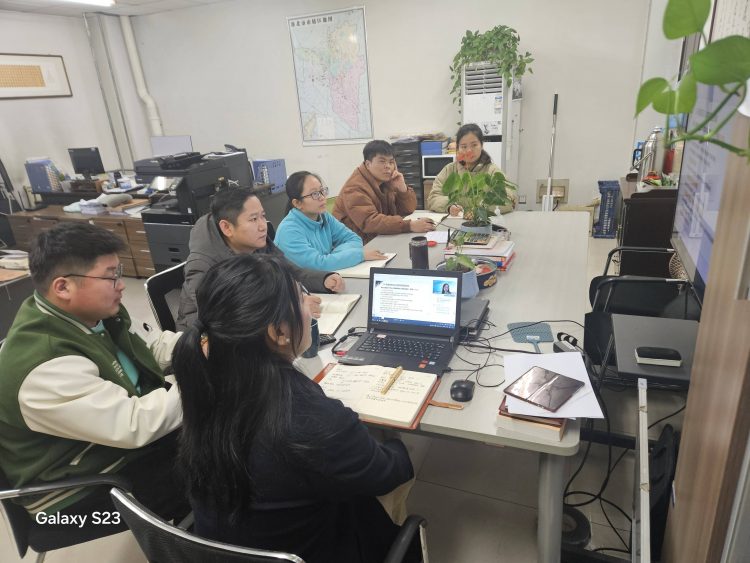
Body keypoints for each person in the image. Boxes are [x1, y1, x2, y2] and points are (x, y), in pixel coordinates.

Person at [173, 253, 419, 563]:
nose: (310, 306)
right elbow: (388, 473)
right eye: (302, 297)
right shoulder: (313, 420)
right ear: (278, 332)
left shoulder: (204, 385)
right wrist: (397, 446)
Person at [0, 223, 188, 525]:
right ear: (63, 287)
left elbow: (150, 346)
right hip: (75, 491)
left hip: (113, 445)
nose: (121, 284)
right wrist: (203, 376)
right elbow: (135, 425)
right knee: (222, 466)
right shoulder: (45, 363)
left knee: (224, 428)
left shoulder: (94, 314)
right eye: (110, 275)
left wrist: (201, 344)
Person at [175, 187, 346, 331]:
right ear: (227, 227)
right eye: (253, 219)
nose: (263, 226)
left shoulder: (255, 243)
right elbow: (223, 319)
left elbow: (288, 270)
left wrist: (324, 279)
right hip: (208, 345)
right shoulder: (203, 264)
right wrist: (291, 309)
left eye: (263, 216)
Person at [274, 171, 387, 271]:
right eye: (314, 194)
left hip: (326, 278)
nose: (322, 197)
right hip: (301, 286)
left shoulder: (324, 216)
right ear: (297, 203)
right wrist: (358, 255)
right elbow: (318, 265)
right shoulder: (288, 231)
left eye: (322, 191)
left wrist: (333, 257)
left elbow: (354, 239)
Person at [333, 140, 435, 244]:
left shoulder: (387, 180)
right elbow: (370, 222)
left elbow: (408, 209)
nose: (388, 166)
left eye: (391, 162)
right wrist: (409, 225)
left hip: (378, 237)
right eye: (382, 161)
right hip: (354, 244)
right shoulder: (354, 188)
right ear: (368, 164)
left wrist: (402, 189)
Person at [427, 123, 518, 216]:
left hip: (483, 222)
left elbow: (508, 200)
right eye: (464, 146)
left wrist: (479, 210)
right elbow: (433, 198)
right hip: (455, 221)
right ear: (458, 148)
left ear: (481, 145)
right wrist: (449, 206)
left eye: (474, 145)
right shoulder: (449, 170)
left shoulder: (492, 171)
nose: (469, 150)